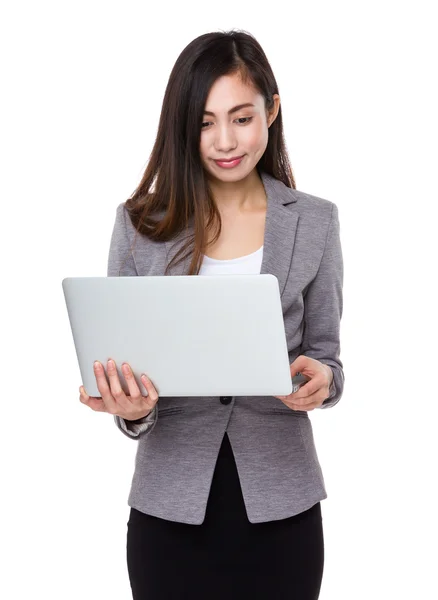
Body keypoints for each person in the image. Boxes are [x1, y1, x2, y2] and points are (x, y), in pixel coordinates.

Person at [79, 29, 344, 600]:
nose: (225, 139)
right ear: (182, 126)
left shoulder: (316, 221)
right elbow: (126, 375)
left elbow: (326, 355)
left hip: (283, 510)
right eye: (204, 121)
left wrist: (323, 381)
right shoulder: (140, 224)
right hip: (169, 512)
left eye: (242, 117)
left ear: (272, 111)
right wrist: (131, 410)